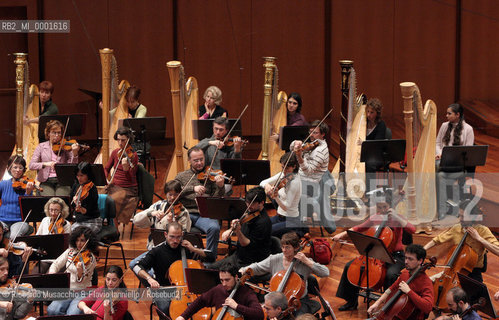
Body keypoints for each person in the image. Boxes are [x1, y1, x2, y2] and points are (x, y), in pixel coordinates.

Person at [333, 191, 415, 311]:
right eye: (379, 207)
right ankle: (351, 301)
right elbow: (359, 227)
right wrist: (342, 234)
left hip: (394, 256)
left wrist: (396, 216)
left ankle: (389, 306)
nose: (382, 210)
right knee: (349, 266)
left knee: (391, 275)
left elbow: (412, 229)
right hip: (375, 255)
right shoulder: (375, 217)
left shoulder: (397, 218)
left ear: (390, 206)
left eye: (385, 207)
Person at [240, 232, 329, 315]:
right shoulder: (275, 259)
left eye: (287, 247)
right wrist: (243, 270)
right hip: (276, 300)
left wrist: (307, 261)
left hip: (298, 301)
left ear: (296, 248)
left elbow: (325, 272)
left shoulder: (303, 262)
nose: (284, 250)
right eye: (282, 247)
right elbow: (257, 267)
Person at [132, 222, 205, 315]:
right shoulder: (157, 251)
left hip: (186, 290)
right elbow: (137, 267)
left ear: (182, 235)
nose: (175, 240)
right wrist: (149, 279)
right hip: (164, 289)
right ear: (165, 234)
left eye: (178, 237)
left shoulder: (187, 248)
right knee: (166, 308)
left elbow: (210, 257)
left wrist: (194, 249)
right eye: (172, 237)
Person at [424, 199, 499, 282]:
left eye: (463, 216)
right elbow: (436, 240)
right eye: (459, 215)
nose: (460, 219)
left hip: (472, 273)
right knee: (430, 282)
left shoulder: (482, 230)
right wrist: (422, 250)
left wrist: (479, 239)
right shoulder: (456, 228)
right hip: (454, 269)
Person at [129, 180, 192, 272]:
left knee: (153, 272)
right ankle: (150, 282)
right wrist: (151, 213)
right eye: (170, 194)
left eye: (176, 194)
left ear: (179, 194)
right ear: (166, 194)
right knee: (133, 265)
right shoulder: (158, 205)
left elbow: (184, 234)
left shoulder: (183, 212)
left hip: (172, 250)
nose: (173, 197)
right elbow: (136, 220)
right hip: (154, 248)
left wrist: (171, 222)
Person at [175, 147, 225, 262]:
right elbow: (174, 191)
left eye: (201, 159)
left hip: (203, 214)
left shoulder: (211, 175)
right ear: (189, 160)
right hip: (185, 212)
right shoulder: (182, 176)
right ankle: (179, 257)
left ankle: (209, 258)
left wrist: (220, 186)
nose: (199, 163)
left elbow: (217, 198)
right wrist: (193, 188)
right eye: (195, 160)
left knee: (214, 227)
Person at [210, 187, 272, 270]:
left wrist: (238, 231)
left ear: (261, 203)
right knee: (210, 268)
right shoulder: (250, 212)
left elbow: (246, 243)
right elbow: (240, 223)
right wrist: (230, 229)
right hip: (238, 256)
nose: (248, 206)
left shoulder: (263, 222)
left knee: (218, 273)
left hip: (251, 262)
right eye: (247, 202)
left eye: (252, 203)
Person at [175, 263, 265, 320]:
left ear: (236, 277)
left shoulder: (247, 293)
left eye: (227, 280)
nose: (224, 284)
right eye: (221, 280)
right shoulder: (218, 289)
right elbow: (200, 301)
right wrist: (183, 316)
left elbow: (259, 314)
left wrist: (237, 306)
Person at [367, 244, 434, 320]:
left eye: (410, 259)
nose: (406, 261)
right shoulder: (405, 273)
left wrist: (409, 291)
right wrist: (377, 303)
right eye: (405, 258)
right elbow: (391, 289)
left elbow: (428, 307)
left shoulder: (426, 283)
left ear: (420, 261)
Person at [47, 226, 98, 316]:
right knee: (52, 310)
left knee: (72, 314)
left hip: (83, 291)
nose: (79, 243)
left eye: (82, 240)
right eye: (77, 240)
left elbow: (81, 280)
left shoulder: (91, 259)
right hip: (68, 289)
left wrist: (79, 272)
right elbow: (56, 264)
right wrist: (52, 274)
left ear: (88, 242)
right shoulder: (70, 252)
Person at [435, 103, 475, 216]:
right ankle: (442, 210)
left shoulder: (468, 129)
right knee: (439, 175)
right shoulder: (444, 125)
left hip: (458, 167)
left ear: (457, 115)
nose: (446, 115)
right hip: (443, 163)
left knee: (434, 170)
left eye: (449, 113)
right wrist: (440, 153)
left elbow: (469, 151)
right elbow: (438, 143)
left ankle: (439, 205)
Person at [29, 119, 80, 196]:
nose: (57, 135)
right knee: (50, 199)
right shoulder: (41, 147)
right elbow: (31, 165)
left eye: (59, 133)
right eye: (54, 132)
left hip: (62, 181)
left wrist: (75, 153)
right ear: (48, 133)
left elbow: (72, 166)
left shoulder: (65, 147)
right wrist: (46, 164)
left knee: (60, 199)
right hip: (46, 181)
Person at [260, 153, 302, 238]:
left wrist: (276, 197)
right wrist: (267, 186)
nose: (284, 171)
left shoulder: (295, 182)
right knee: (259, 226)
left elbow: (287, 207)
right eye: (283, 167)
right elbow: (262, 182)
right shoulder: (283, 175)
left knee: (268, 231)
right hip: (280, 217)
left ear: (294, 166)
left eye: (286, 168)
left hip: (292, 220)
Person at [104, 127, 139, 227]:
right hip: (114, 186)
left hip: (128, 188)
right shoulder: (115, 153)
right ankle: (104, 225)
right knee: (98, 196)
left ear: (128, 139)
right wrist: (106, 179)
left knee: (112, 201)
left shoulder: (133, 156)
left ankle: (115, 230)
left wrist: (126, 169)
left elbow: (131, 178)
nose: (120, 143)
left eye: (123, 140)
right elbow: (106, 168)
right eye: (118, 139)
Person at [0, 156, 34, 238]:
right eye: (15, 167)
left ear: (24, 170)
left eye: (20, 168)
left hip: (19, 221)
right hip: (2, 220)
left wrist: (28, 193)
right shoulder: (3, 184)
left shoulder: (27, 186)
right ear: (9, 168)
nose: (18, 170)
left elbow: (28, 207)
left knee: (14, 236)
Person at [70, 162, 102, 234]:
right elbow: (71, 204)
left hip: (92, 221)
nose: (79, 178)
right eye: (77, 176)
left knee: (82, 235)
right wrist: (73, 203)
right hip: (79, 221)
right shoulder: (76, 185)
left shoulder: (92, 189)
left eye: (82, 175)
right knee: (70, 234)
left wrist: (79, 207)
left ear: (88, 175)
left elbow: (87, 211)